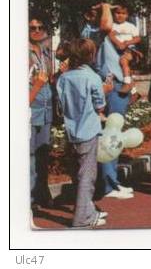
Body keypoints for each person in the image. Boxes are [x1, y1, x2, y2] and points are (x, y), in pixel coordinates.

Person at [56, 39, 109, 228]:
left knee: (78, 174)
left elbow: (61, 106)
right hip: (88, 130)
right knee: (87, 176)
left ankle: (88, 211)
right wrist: (106, 90)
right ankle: (81, 219)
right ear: (90, 56)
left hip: (72, 131)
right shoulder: (93, 77)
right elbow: (100, 104)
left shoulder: (64, 78)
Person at [94, 2, 141, 201]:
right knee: (111, 135)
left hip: (120, 82)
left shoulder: (118, 33)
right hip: (113, 84)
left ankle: (111, 180)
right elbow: (106, 26)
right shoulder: (104, 32)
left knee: (114, 133)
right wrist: (106, 7)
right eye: (114, 14)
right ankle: (108, 184)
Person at [29, 13, 56, 209]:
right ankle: (28, 200)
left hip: (46, 108)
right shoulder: (21, 54)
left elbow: (48, 80)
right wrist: (38, 85)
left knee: (43, 153)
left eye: (40, 27)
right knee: (29, 155)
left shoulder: (46, 52)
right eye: (32, 28)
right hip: (31, 110)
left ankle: (41, 193)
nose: (37, 31)